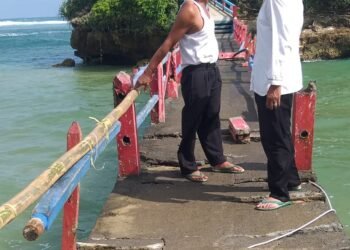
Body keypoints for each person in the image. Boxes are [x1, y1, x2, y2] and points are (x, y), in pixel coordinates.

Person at [136, 0, 245, 182]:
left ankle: (217, 160)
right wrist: (148, 72)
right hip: (196, 73)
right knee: (192, 119)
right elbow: (169, 43)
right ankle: (187, 165)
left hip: (211, 69)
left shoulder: (205, 8)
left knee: (211, 116)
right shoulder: (189, 9)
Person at [250, 0, 304, 210]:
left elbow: (283, 40)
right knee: (280, 132)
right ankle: (291, 179)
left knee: (274, 137)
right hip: (278, 78)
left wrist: (275, 82)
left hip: (274, 81)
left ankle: (279, 193)